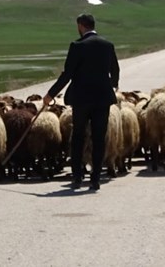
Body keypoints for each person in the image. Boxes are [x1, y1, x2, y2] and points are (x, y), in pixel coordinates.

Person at [42, 13, 119, 191]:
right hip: (102, 99)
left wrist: (50, 94)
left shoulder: (77, 46)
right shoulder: (107, 45)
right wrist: (113, 86)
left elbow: (67, 74)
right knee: (99, 138)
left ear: (81, 26)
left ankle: (77, 177)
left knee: (78, 136)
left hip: (82, 99)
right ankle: (96, 178)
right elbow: (115, 69)